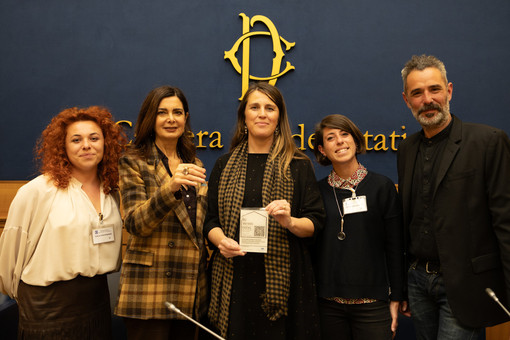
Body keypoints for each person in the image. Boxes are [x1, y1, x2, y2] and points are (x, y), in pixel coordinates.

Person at [397, 54, 510, 339]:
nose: (427, 99)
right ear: (406, 100)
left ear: (448, 91)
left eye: (434, 89)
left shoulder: (488, 141)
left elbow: (505, 221)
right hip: (418, 282)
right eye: (417, 93)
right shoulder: (407, 149)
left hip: (466, 285)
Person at [204, 82, 325, 340]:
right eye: (255, 107)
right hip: (234, 277)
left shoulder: (298, 165)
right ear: (244, 116)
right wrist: (221, 241)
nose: (262, 113)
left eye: (270, 108)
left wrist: (290, 221)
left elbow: (316, 223)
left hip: (286, 281)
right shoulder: (223, 165)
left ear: (279, 117)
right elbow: (209, 221)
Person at [0, 106, 126, 339]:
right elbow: (10, 257)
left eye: (94, 138)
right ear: (63, 147)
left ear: (105, 144)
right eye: (76, 140)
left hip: (96, 301)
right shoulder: (37, 191)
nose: (86, 145)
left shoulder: (112, 192)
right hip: (47, 307)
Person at [114, 86, 208, 340]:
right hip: (149, 289)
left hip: (189, 287)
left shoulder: (195, 164)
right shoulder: (133, 161)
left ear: (185, 118)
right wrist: (171, 187)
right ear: (150, 118)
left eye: (177, 112)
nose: (171, 119)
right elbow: (134, 223)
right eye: (162, 112)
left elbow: (196, 226)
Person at [312, 114, 405, 340]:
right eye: (331, 138)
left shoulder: (381, 187)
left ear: (355, 140)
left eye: (345, 134)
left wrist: (397, 297)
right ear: (323, 150)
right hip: (328, 304)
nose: (340, 141)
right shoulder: (316, 192)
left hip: (372, 303)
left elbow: (396, 246)